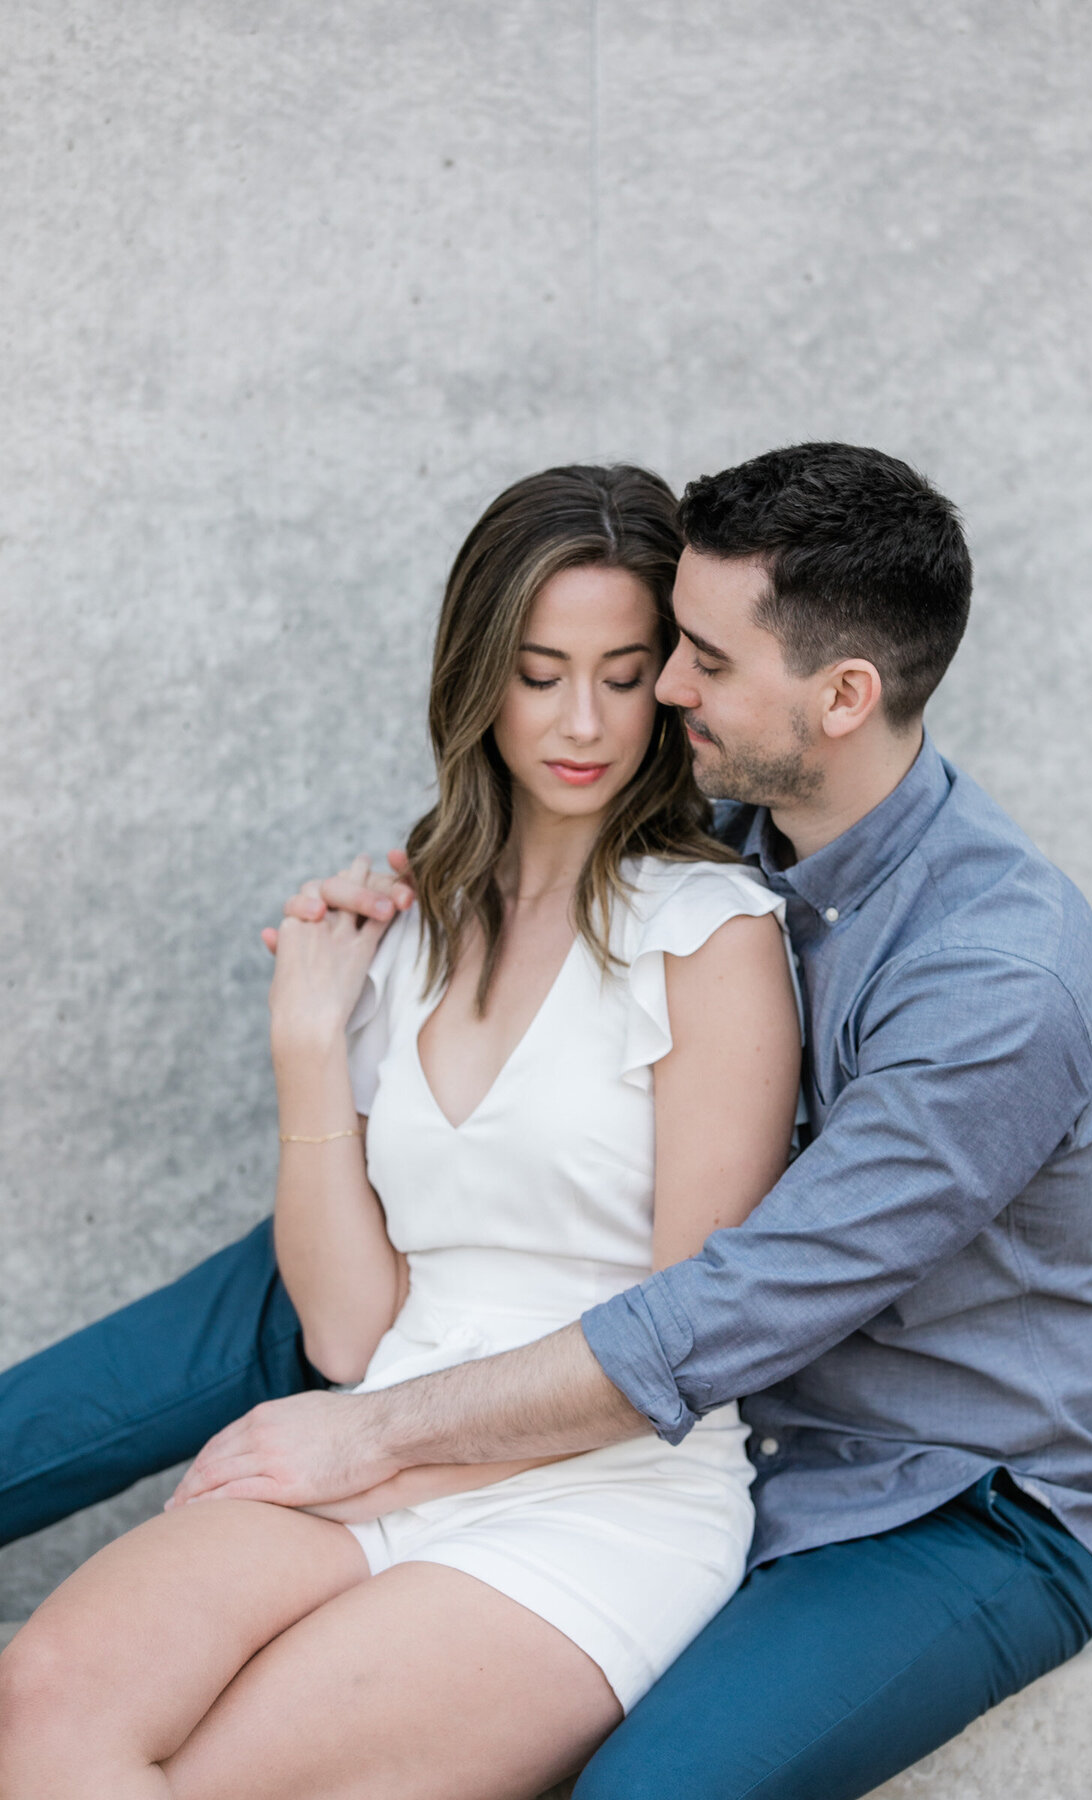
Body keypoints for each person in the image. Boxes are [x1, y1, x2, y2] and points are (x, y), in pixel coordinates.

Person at [0, 442, 1092, 1800]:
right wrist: (371, 994)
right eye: (597, 667)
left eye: (693, 662)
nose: (653, 693)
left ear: (842, 697)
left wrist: (375, 1431)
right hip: (608, 1370)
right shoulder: (723, 822)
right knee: (336, 1231)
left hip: (927, 1493)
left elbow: (733, 1306)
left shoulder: (994, 981)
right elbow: (552, 830)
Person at [0, 463, 804, 1797]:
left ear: (672, 681)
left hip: (598, 1493)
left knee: (229, 1775)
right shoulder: (417, 926)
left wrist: (391, 1442)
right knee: (42, 1702)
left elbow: (689, 1341)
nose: (584, 721)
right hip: (376, 1428)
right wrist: (309, 1046)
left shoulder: (709, 937)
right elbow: (349, 1334)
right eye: (540, 672)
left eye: (623, 671)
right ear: (477, 673)